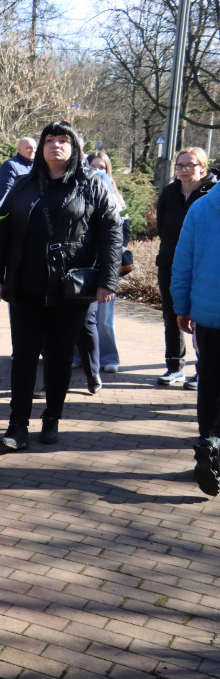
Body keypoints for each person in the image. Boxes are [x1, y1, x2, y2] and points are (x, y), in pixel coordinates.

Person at [0, 121, 123, 450]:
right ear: (41, 147)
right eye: (50, 140)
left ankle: (52, 417)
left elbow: (111, 234)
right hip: (26, 286)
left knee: (60, 357)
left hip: (69, 290)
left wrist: (107, 280)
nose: (55, 146)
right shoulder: (23, 184)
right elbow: (1, 230)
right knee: (24, 357)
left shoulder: (92, 184)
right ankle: (17, 424)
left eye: (63, 141)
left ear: (74, 147)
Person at [171, 182, 220, 496]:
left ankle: (210, 441)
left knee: (211, 381)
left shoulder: (202, 206)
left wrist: (182, 306)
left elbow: (183, 262)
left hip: (209, 314)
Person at [157, 147, 217, 389]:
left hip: (203, 268)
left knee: (202, 321)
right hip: (170, 263)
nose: (183, 169)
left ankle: (204, 370)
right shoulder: (169, 193)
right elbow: (163, 228)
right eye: (179, 165)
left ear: (202, 167)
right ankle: (174, 367)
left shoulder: (211, 195)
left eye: (189, 165)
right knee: (172, 317)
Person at [73, 151, 127, 390]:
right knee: (82, 321)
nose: (97, 171)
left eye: (101, 167)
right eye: (92, 166)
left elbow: (118, 234)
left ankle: (107, 360)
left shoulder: (111, 194)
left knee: (102, 320)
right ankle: (79, 359)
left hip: (100, 268)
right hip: (77, 269)